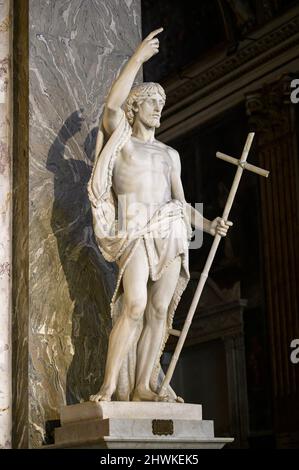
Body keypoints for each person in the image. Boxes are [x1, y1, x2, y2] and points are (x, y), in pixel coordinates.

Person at [88, 28, 232, 402]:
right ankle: (108, 386)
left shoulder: (170, 155)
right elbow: (110, 107)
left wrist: (208, 224)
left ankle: (142, 386)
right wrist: (137, 58)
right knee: (133, 303)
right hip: (134, 230)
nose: (158, 108)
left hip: (172, 230)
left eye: (161, 104)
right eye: (152, 102)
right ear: (136, 109)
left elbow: (180, 202)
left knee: (159, 310)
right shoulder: (121, 142)